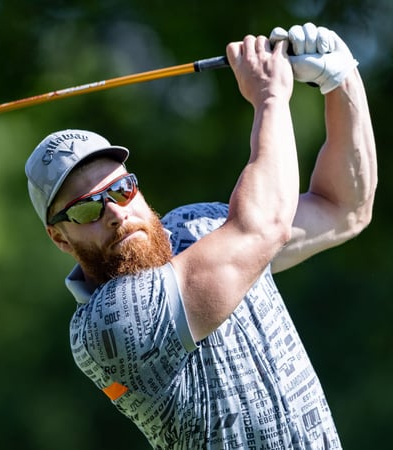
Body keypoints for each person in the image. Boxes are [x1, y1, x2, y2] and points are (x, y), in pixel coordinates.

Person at [24, 23, 376, 448]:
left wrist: (340, 78)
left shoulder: (202, 227)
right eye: (85, 208)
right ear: (60, 238)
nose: (116, 212)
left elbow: (344, 209)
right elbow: (263, 226)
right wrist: (269, 96)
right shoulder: (105, 327)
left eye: (121, 189)